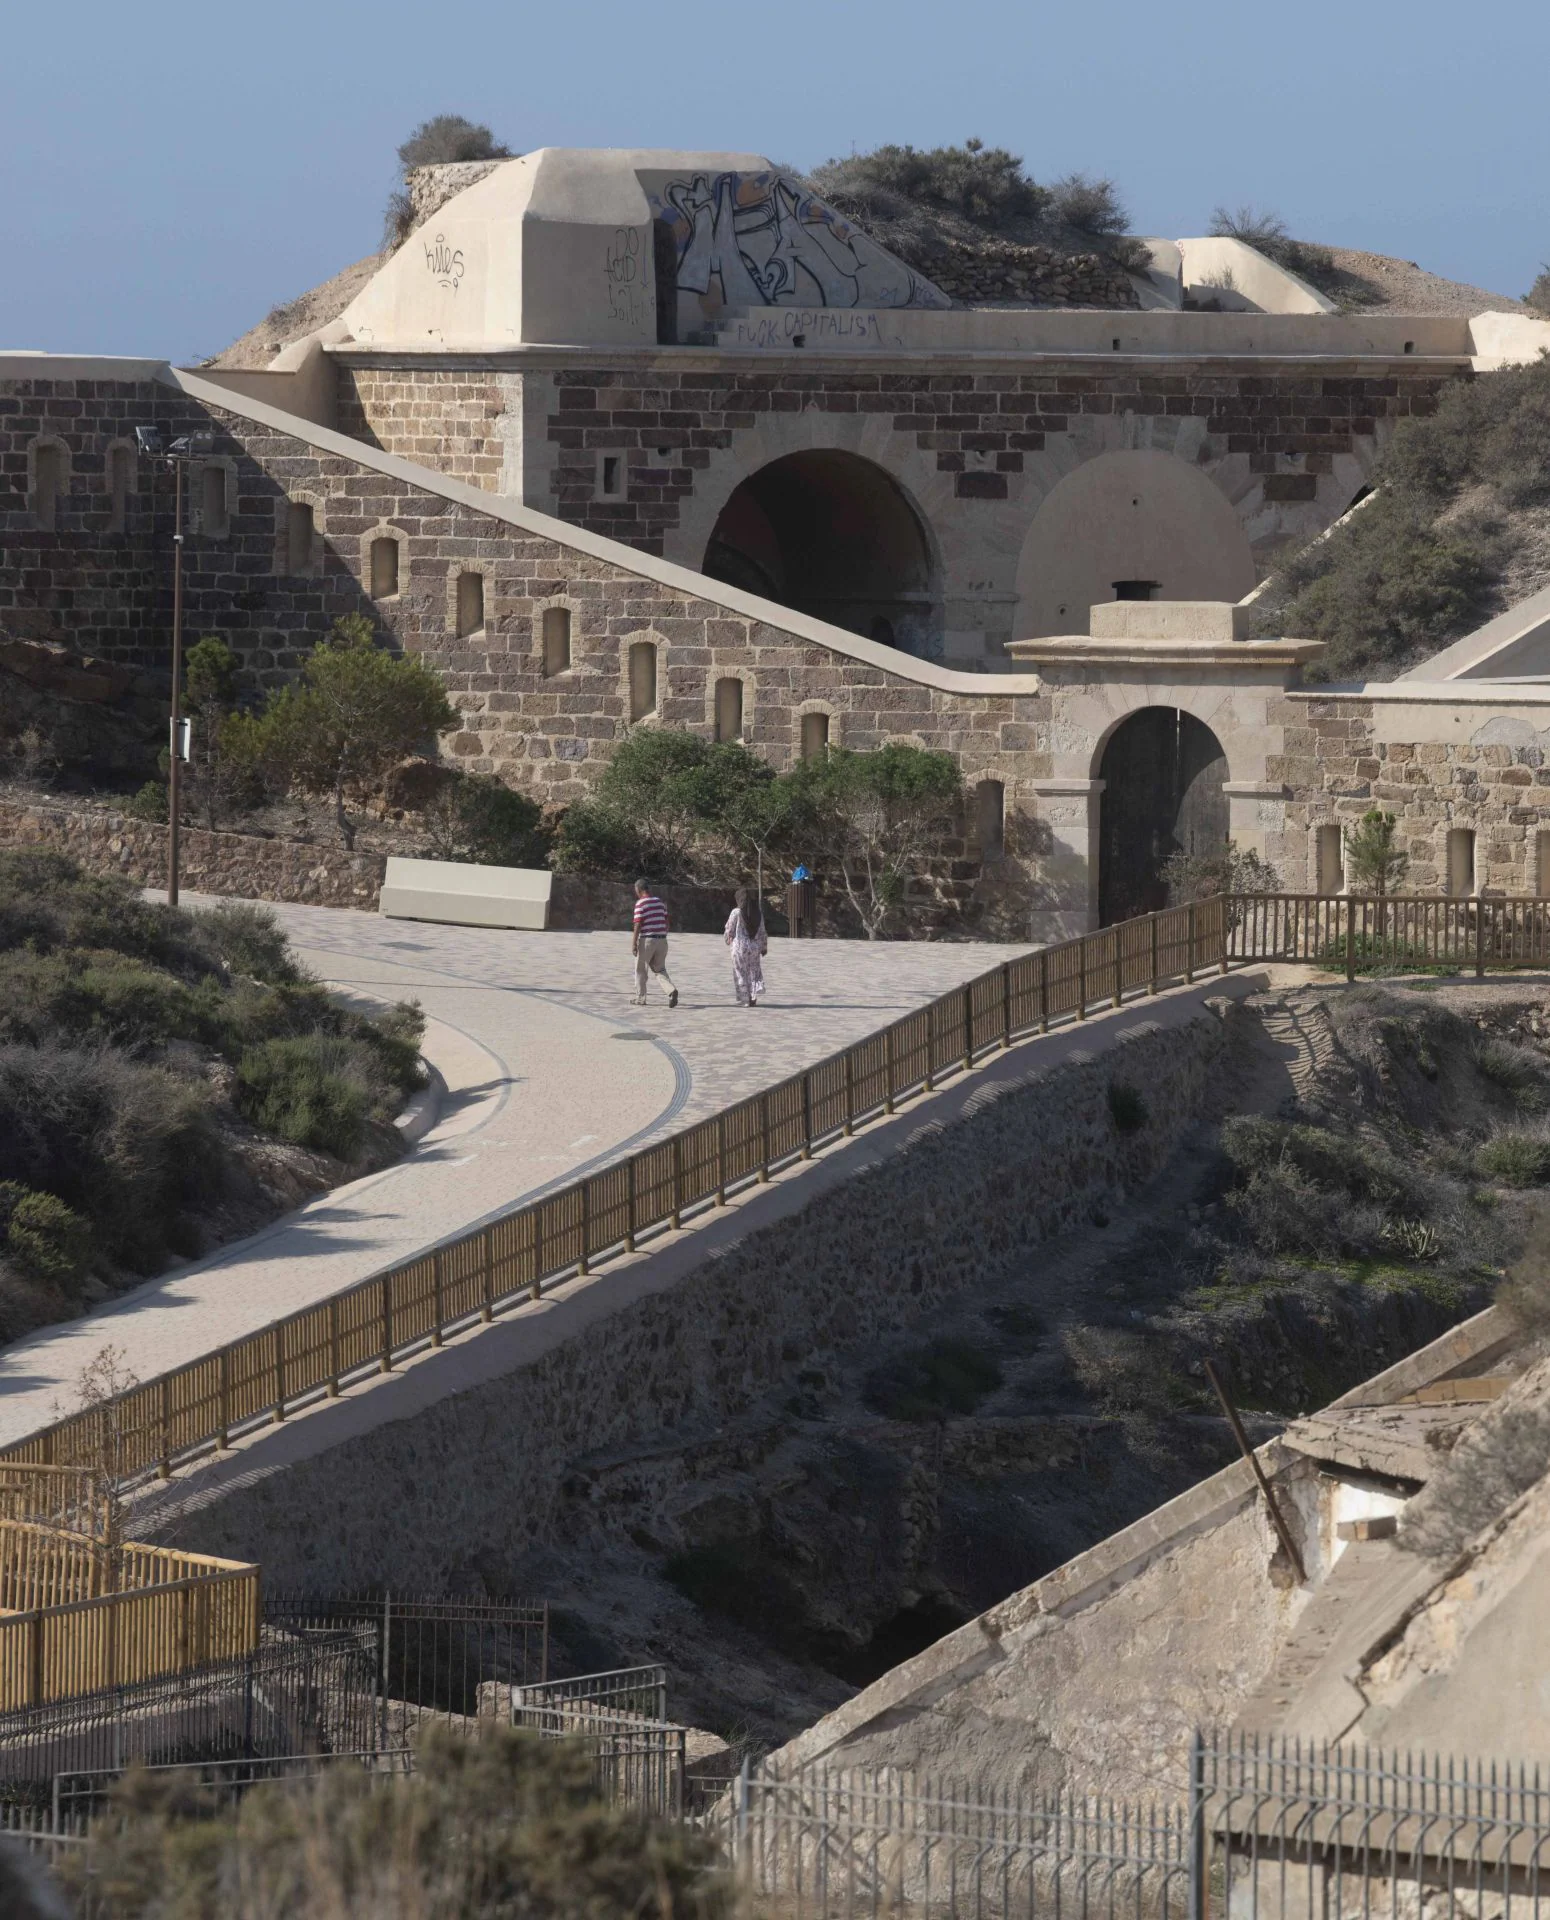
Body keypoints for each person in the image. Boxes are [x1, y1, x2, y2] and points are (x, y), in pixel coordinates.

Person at [631, 879, 678, 1007]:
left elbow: (637, 924)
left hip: (647, 940)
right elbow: (667, 921)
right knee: (660, 969)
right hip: (662, 940)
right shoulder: (660, 902)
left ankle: (641, 998)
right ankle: (671, 991)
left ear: (638, 890)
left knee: (640, 969)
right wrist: (663, 935)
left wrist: (634, 943)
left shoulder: (640, 904)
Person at [723, 886, 768, 1007]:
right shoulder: (758, 913)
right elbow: (763, 931)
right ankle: (753, 996)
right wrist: (764, 947)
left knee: (740, 972)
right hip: (754, 947)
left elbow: (729, 929)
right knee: (753, 971)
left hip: (739, 947)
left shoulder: (736, 912)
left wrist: (728, 939)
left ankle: (744, 999)